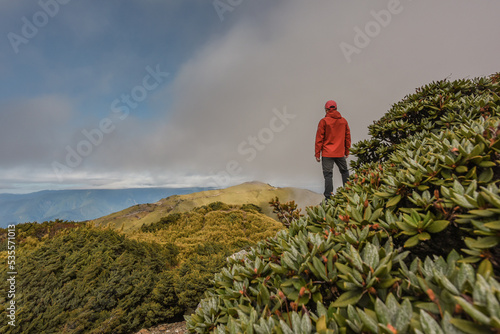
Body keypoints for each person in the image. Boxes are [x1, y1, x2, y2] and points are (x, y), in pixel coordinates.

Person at [315, 100, 351, 199]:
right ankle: (349, 193)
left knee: (328, 175)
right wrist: (347, 151)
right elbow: (347, 137)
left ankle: (328, 198)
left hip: (327, 153)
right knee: (344, 172)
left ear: (326, 110)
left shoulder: (324, 121)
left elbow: (319, 139)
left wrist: (317, 154)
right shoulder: (343, 121)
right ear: (336, 108)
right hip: (340, 153)